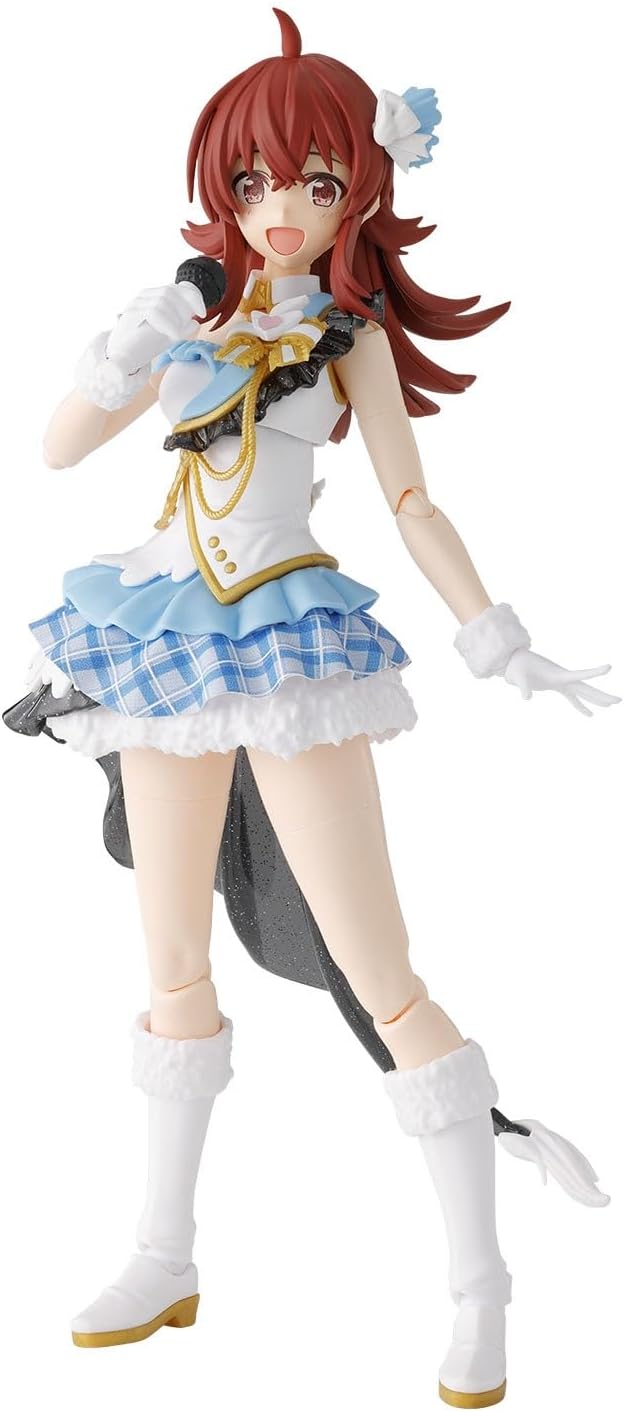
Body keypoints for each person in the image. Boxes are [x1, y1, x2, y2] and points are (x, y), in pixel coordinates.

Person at [3, 8, 616, 1405]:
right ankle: (163, 1253)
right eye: (255, 180)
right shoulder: (194, 318)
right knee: (170, 965)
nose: (282, 207)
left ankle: (481, 1287)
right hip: (158, 633)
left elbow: (412, 501)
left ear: (360, 192)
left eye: (318, 181)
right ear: (222, 190)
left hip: (287, 637)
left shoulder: (349, 333)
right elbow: (55, 448)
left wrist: (495, 636)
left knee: (379, 970)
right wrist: (128, 343)